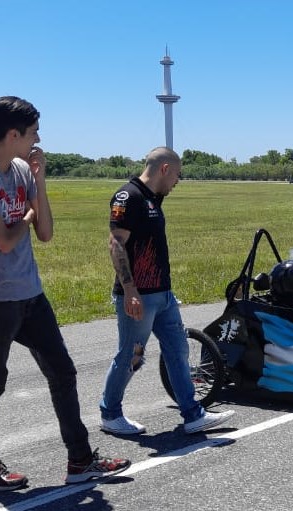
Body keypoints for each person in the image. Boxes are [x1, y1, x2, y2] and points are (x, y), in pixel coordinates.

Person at [0, 96, 130, 491]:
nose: (38, 138)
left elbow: (47, 233)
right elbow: (2, 241)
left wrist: (39, 181)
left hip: (30, 293)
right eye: (33, 132)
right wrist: (28, 216)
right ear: (13, 134)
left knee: (62, 372)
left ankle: (80, 460)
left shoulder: (21, 169)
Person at [100, 147, 234, 436]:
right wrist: (130, 288)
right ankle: (110, 413)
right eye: (177, 175)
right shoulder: (129, 197)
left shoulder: (153, 198)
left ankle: (192, 413)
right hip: (139, 296)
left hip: (162, 294)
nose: (177, 181)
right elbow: (116, 244)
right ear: (164, 169)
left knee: (178, 349)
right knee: (131, 356)